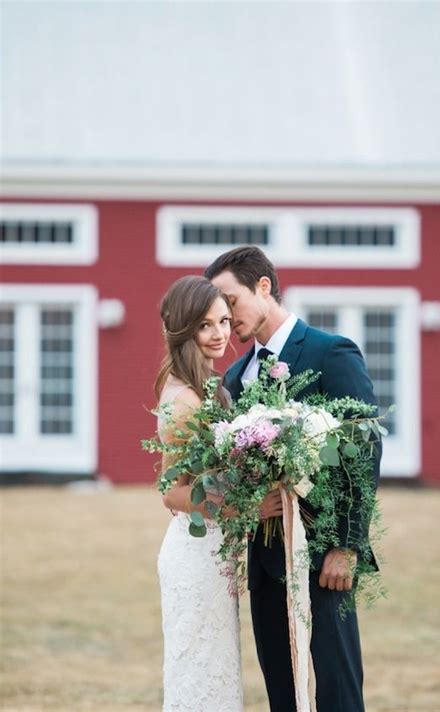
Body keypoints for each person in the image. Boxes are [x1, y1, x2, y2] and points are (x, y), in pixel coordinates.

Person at [205, 246, 381, 712]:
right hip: (263, 563)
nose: (226, 318)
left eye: (231, 302)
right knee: (282, 692)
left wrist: (346, 546)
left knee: (337, 686)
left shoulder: (331, 352)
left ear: (263, 286)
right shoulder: (238, 376)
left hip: (324, 557)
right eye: (217, 311)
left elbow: (363, 453)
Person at [154, 275, 243, 712]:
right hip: (194, 552)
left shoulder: (208, 388)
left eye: (224, 321)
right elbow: (172, 493)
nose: (220, 334)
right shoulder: (184, 399)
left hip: (216, 552)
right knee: (198, 676)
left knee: (217, 671)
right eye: (206, 324)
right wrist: (241, 499)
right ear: (185, 327)